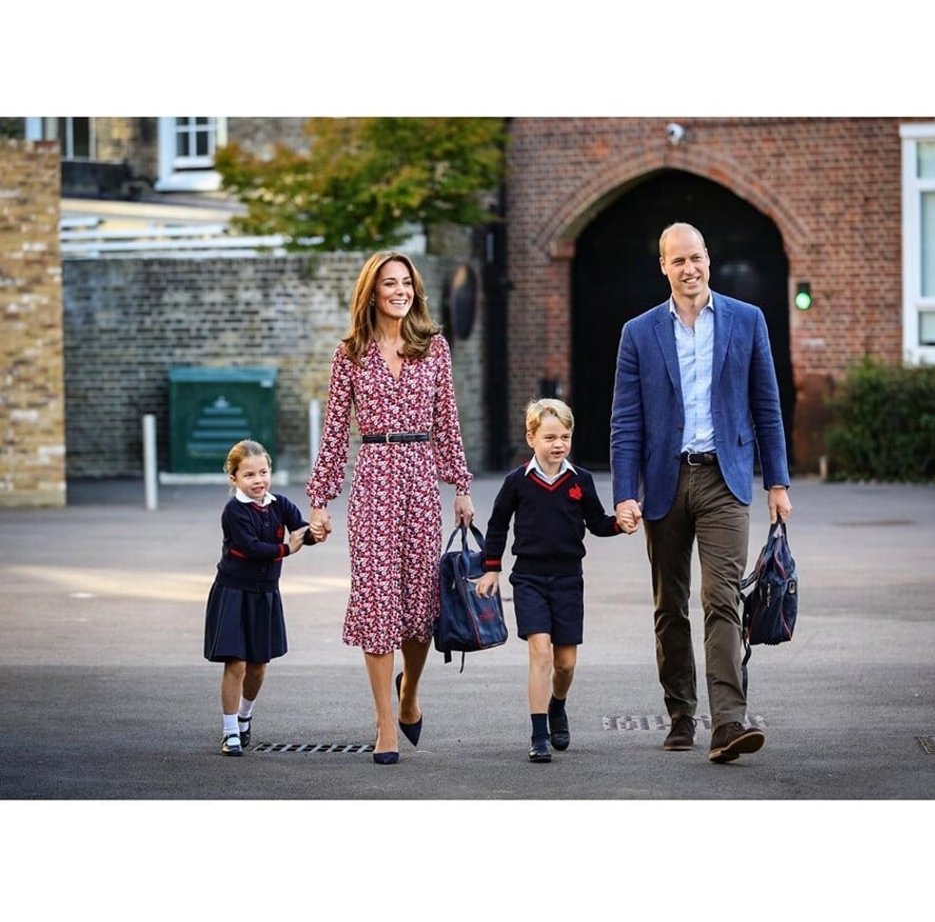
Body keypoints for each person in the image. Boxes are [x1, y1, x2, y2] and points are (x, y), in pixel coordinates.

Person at [610, 222, 793, 764]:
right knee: (670, 606)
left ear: (708, 259)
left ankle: (729, 723)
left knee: (722, 600)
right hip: (664, 482)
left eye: (696, 258)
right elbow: (626, 421)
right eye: (677, 261)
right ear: (662, 267)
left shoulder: (746, 319)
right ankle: (681, 713)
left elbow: (768, 405)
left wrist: (777, 482)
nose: (689, 269)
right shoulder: (638, 333)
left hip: (725, 479)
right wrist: (625, 492)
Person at [306, 251, 474, 766]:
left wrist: (460, 485)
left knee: (420, 607)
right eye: (389, 284)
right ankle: (384, 723)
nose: (399, 291)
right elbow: (334, 431)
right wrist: (320, 500)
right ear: (371, 293)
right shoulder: (350, 354)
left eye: (406, 283)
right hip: (374, 478)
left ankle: (409, 695)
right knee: (378, 601)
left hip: (421, 477)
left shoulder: (434, 348)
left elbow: (447, 420)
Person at [475, 398, 634, 763]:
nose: (558, 444)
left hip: (567, 580)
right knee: (541, 653)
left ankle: (557, 704)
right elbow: (498, 525)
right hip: (528, 579)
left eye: (564, 436)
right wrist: (491, 567)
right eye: (549, 437)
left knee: (565, 664)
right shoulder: (517, 482)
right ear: (531, 438)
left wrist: (618, 525)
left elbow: (597, 523)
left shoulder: (581, 481)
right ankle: (539, 733)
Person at [203, 439, 321, 756]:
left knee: (258, 665)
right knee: (236, 663)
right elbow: (251, 549)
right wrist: (287, 549)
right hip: (233, 592)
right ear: (234, 479)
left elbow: (300, 529)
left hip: (265, 594)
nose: (258, 480)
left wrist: (315, 532)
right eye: (249, 475)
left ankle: (244, 717)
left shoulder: (279, 504)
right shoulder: (234, 512)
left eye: (263, 472)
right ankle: (229, 731)